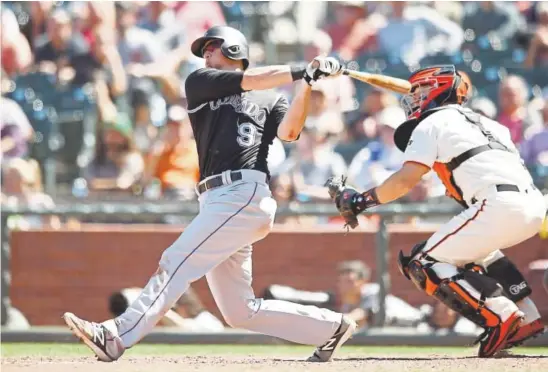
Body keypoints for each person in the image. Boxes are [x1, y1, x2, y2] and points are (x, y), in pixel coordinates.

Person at [63, 25, 355, 363]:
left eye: (212, 47)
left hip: (244, 194)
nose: (205, 54)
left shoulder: (271, 97)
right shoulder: (200, 82)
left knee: (176, 260)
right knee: (238, 311)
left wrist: (308, 82)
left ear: (234, 49)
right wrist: (302, 68)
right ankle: (331, 328)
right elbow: (253, 80)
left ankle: (115, 335)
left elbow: (290, 131)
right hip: (215, 200)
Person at [326, 65, 546, 358]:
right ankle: (528, 316)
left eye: (419, 91)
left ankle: (503, 316)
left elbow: (404, 181)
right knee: (479, 253)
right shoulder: (492, 124)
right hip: (534, 205)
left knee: (422, 261)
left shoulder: (432, 122)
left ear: (437, 90)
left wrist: (359, 202)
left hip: (498, 205)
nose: (413, 97)